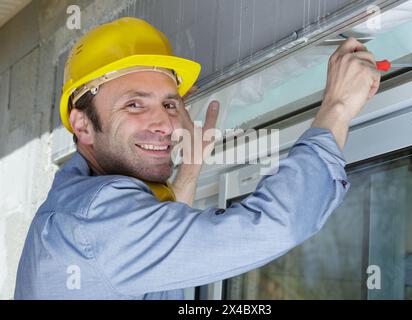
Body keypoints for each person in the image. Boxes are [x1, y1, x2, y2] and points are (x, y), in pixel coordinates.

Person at [14, 17, 380, 299]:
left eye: (170, 104)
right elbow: (273, 225)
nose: (163, 123)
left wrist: (184, 180)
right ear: (83, 126)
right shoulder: (94, 219)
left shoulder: (74, 212)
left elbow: (157, 263)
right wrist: (337, 108)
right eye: (134, 104)